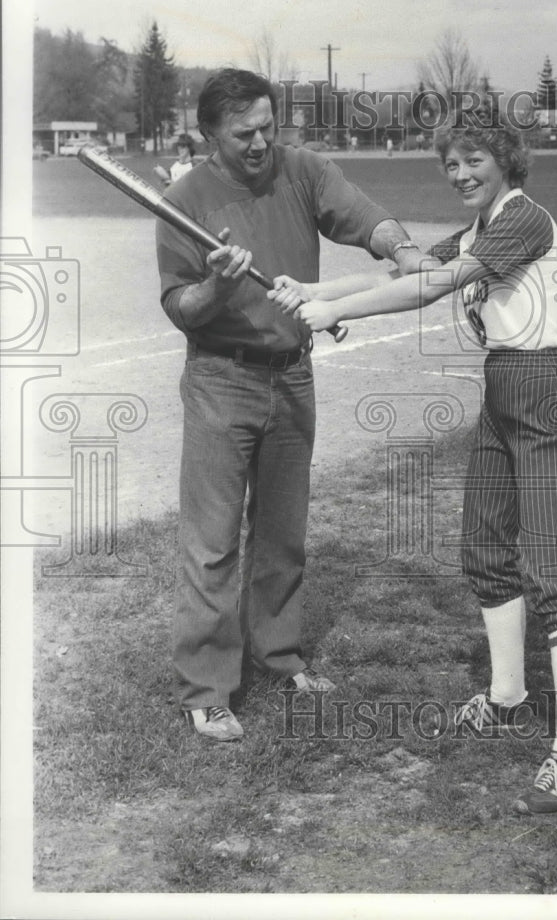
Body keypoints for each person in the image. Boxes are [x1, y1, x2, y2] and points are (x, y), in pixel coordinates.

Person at [271, 120, 557, 816]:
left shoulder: (524, 220)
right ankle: (507, 695)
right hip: (506, 385)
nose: (458, 172)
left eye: (472, 159)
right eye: (449, 163)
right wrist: (311, 287)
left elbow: (431, 290)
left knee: (552, 569)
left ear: (506, 160)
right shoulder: (483, 226)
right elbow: (407, 270)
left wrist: (329, 309)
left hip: (544, 387)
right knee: (483, 550)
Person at [155, 68, 428, 742]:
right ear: (209, 134)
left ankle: (277, 656)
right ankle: (207, 688)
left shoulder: (300, 170)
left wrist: (403, 248)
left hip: (292, 375)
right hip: (222, 379)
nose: (259, 144)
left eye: (267, 129)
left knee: (281, 532)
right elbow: (180, 308)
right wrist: (217, 288)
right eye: (243, 133)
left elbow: (365, 218)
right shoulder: (184, 199)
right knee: (213, 543)